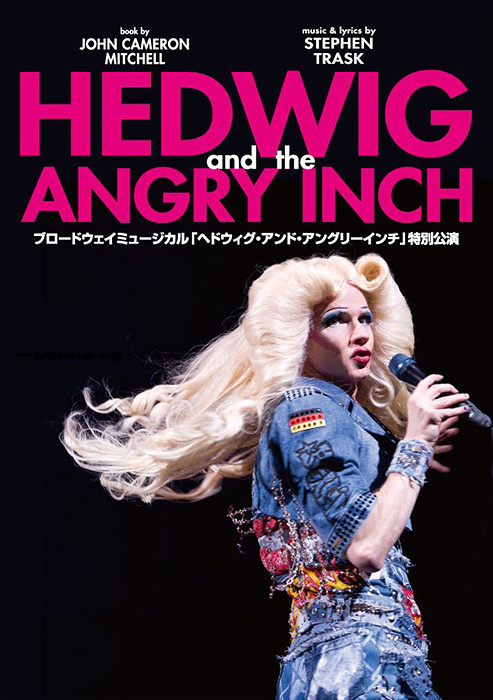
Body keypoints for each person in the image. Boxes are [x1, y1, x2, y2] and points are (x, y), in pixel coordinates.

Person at [63, 253, 468, 699]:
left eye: (366, 318)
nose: (360, 333)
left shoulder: (339, 415)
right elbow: (366, 547)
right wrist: (414, 446)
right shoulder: (308, 410)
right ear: (298, 335)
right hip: (353, 667)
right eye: (336, 320)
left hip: (366, 659)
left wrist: (410, 451)